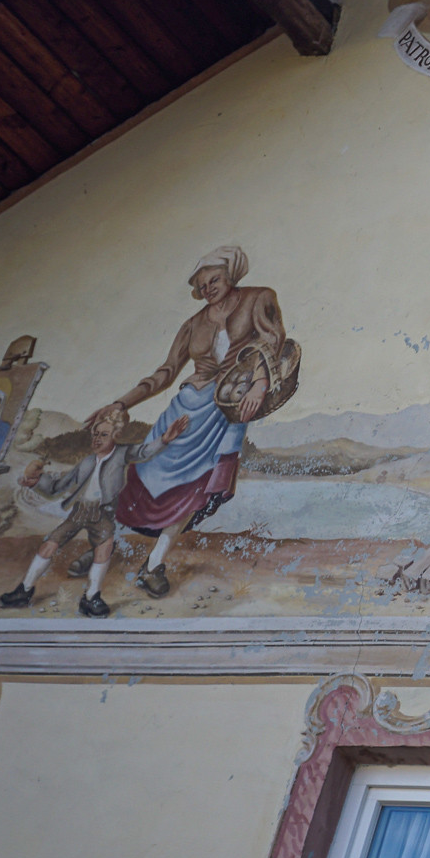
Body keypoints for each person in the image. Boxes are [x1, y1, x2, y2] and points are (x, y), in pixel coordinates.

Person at [88, 245, 284, 599]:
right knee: (136, 482)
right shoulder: (192, 324)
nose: (208, 289)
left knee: (193, 493)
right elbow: (165, 372)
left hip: (225, 413)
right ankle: (97, 550)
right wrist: (120, 403)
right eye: (201, 285)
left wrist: (259, 383)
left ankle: (153, 565)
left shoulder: (259, 298)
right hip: (185, 411)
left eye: (215, 280)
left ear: (231, 275)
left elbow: (271, 341)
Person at [1, 406, 188, 617]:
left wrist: (164, 439)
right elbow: (59, 485)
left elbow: (143, 452)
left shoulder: (121, 454)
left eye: (104, 435)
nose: (98, 439)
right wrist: (35, 482)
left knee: (104, 549)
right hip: (79, 512)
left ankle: (91, 598)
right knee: (49, 545)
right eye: (96, 434)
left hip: (102, 514)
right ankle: (24, 590)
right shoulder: (87, 461)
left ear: (115, 436)